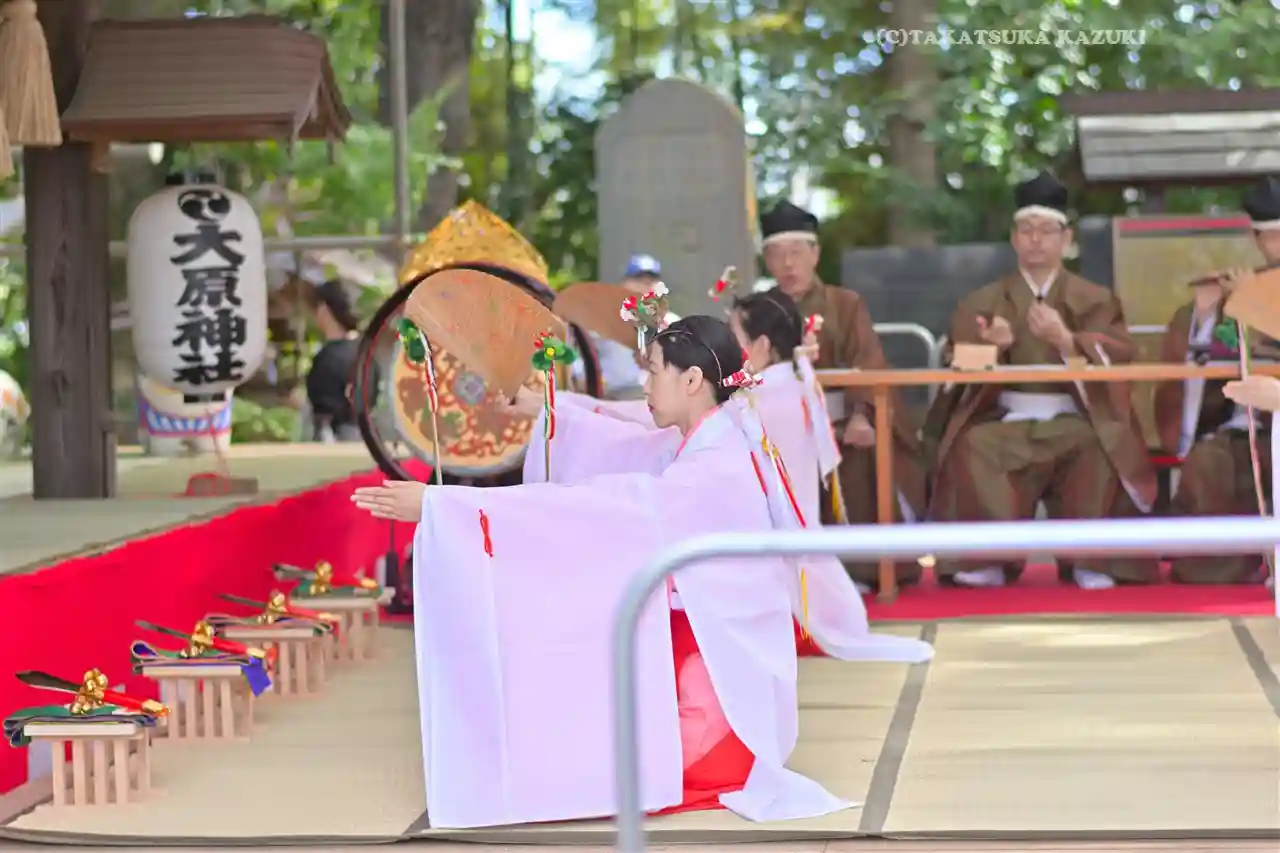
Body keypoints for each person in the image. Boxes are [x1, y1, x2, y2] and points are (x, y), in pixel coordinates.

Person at [353, 313, 929, 829]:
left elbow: (605, 502)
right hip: (709, 648)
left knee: (589, 736)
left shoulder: (711, 465)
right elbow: (625, 440)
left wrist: (447, 505)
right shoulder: (715, 433)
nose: (645, 387)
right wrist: (549, 411)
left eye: (653, 372)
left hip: (721, 688)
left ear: (692, 380)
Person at [924, 171, 1158, 589]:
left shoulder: (1095, 299)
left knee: (1103, 447)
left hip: (1076, 418)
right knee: (973, 445)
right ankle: (987, 559)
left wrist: (1067, 341)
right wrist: (994, 348)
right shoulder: (983, 301)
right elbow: (954, 364)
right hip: (1006, 418)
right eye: (1026, 230)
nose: (1035, 240)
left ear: (1066, 239)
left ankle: (1093, 561)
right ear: (1014, 239)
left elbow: (1121, 357)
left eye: (1047, 231)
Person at [757, 200, 925, 591]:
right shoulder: (757, 311)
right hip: (776, 421)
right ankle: (777, 573)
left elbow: (868, 360)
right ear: (766, 261)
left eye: (797, 252)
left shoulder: (845, 304)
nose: (788, 264)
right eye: (777, 254)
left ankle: (859, 571)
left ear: (815, 254)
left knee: (858, 458)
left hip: (839, 419)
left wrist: (862, 414)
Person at [1153, 178, 1280, 583]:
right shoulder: (1241, 286)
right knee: (1210, 461)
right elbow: (1202, 362)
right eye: (1271, 236)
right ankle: (1219, 567)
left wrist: (1254, 300)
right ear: (1256, 239)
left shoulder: (1251, 290)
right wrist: (1205, 314)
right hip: (1244, 424)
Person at [305, 279, 376, 442]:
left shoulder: (327, 359)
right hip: (369, 439)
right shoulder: (368, 355)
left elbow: (323, 414)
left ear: (324, 310)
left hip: (334, 440)